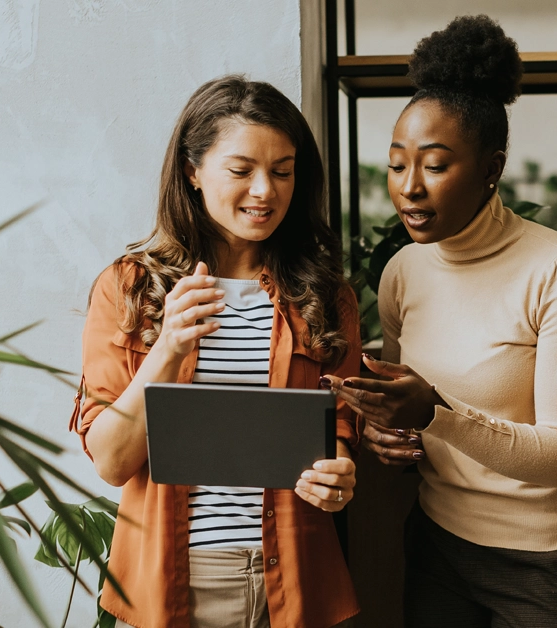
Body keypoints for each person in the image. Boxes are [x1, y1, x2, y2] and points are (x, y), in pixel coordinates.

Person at [321, 15, 557, 628]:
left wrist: (435, 413)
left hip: (549, 563)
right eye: (396, 164)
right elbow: (413, 419)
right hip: (438, 545)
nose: (409, 189)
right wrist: (392, 436)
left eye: (435, 165)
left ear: (491, 168)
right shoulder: (403, 271)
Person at [73, 75, 361, 628]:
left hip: (300, 584)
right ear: (192, 171)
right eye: (241, 170)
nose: (265, 191)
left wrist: (339, 477)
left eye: (283, 172)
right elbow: (110, 461)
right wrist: (169, 349)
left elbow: (338, 436)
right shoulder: (130, 288)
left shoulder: (326, 296)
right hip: (177, 581)